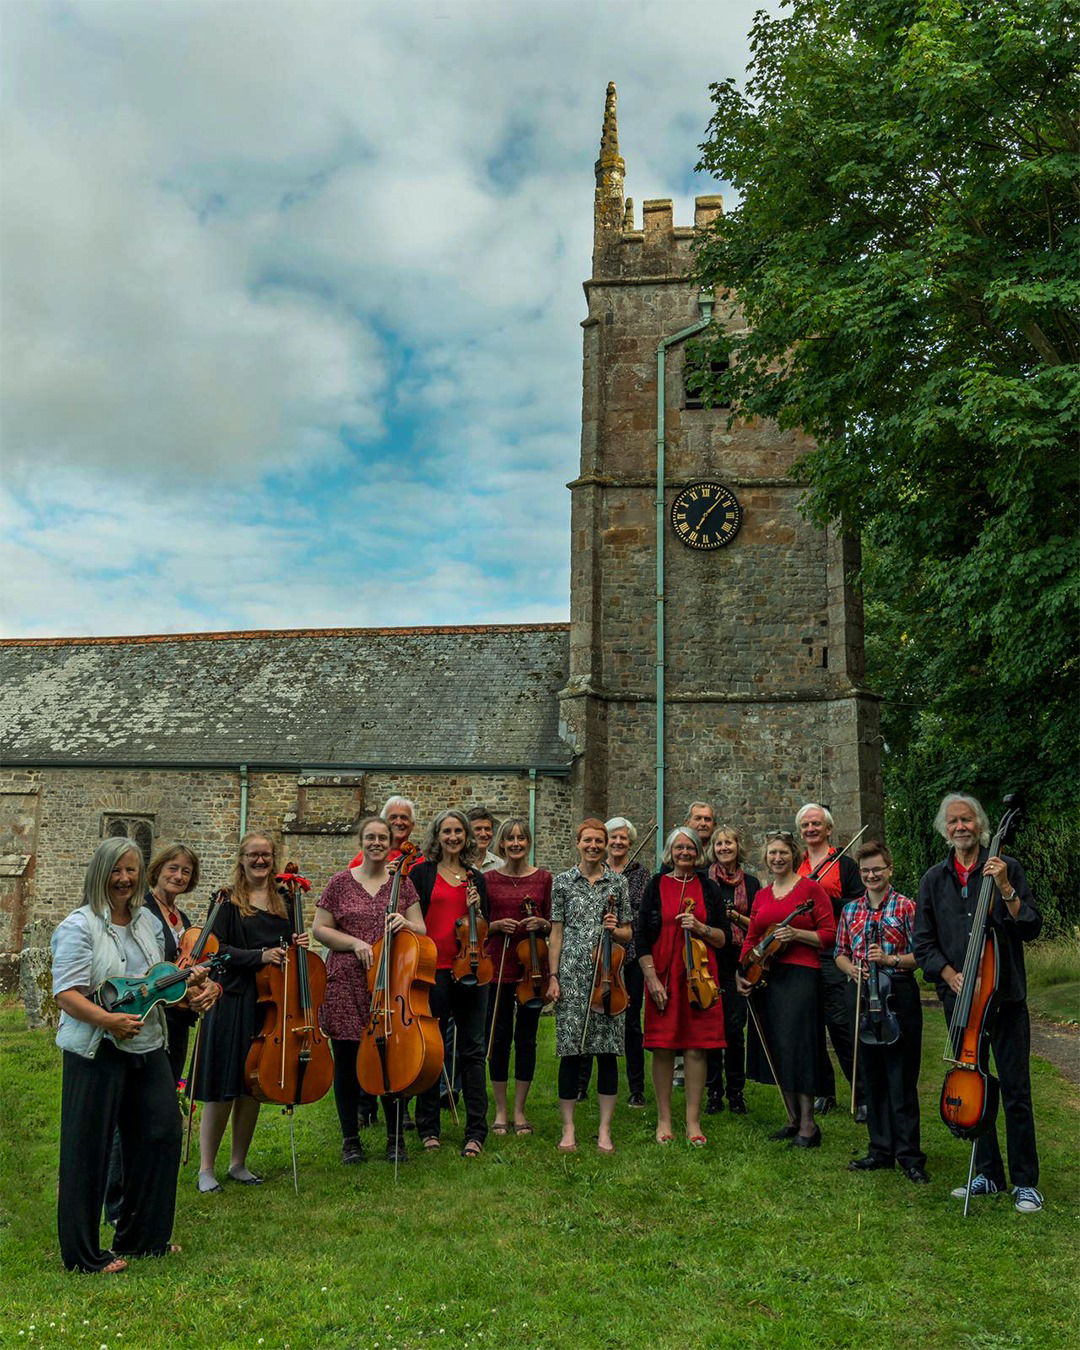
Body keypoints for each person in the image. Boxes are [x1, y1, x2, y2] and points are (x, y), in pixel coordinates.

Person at [51, 837, 218, 1272]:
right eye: (116, 871)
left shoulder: (146, 920)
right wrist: (108, 1022)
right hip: (96, 1049)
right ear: (99, 874)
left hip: (146, 1045)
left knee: (161, 1134)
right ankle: (84, 1255)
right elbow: (66, 994)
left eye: (131, 871)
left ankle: (145, 1238)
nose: (124, 879)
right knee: (89, 1149)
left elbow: (153, 985)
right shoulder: (79, 925)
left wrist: (192, 990)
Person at [913, 793, 1043, 1213]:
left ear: (981, 824)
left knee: (1016, 1091)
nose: (960, 827)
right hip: (961, 1000)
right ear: (944, 829)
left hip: (1005, 999)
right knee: (974, 1084)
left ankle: (1025, 1182)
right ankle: (987, 1173)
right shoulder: (934, 879)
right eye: (952, 822)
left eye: (966, 820)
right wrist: (948, 974)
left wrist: (1004, 887)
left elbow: (1031, 926)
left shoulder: (1007, 867)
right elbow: (923, 943)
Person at [191, 831, 310, 1192]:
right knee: (221, 1087)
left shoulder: (286, 899)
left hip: (269, 1003)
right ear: (241, 859)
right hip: (232, 999)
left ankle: (238, 1163)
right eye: (253, 855)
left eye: (266, 855)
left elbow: (288, 945)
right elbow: (217, 950)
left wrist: (297, 944)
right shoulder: (226, 900)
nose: (260, 861)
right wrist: (259, 956)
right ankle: (206, 1169)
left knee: (251, 1085)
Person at [312, 815, 427, 1165]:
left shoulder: (401, 884)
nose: (376, 843)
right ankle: (351, 1140)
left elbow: (421, 928)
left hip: (390, 983)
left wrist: (405, 922)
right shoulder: (340, 882)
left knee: (390, 1057)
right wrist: (354, 943)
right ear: (360, 842)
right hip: (346, 981)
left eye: (382, 838)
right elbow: (320, 929)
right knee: (346, 1061)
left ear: (390, 842)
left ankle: (395, 1139)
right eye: (370, 837)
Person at [834, 841, 927, 1183]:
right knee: (871, 1073)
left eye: (877, 869)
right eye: (866, 871)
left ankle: (909, 1155)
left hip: (896, 992)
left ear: (889, 870)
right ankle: (880, 1149)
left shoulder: (906, 907)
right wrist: (850, 970)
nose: (871, 875)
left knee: (901, 1076)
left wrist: (889, 960)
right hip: (861, 992)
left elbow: (922, 954)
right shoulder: (850, 910)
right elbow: (840, 952)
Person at [736, 829, 835, 1147]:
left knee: (800, 1046)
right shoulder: (763, 895)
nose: (777, 858)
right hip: (766, 977)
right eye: (772, 853)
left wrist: (798, 935)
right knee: (777, 1046)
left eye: (783, 853)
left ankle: (809, 1125)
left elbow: (829, 934)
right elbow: (752, 938)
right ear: (766, 858)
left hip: (801, 975)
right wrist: (743, 969)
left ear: (794, 856)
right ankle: (792, 1118)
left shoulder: (810, 889)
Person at [636, 827, 729, 1145]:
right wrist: (651, 978)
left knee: (695, 1049)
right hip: (663, 975)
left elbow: (723, 937)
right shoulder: (656, 884)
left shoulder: (709, 887)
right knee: (662, 1048)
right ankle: (664, 1120)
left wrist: (701, 927)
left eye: (690, 847)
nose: (685, 853)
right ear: (670, 852)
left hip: (698, 977)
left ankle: (692, 1121)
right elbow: (641, 938)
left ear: (697, 852)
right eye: (679, 848)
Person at [546, 819, 632, 1155]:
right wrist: (553, 976)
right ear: (578, 843)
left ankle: (604, 1130)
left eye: (600, 841)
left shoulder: (618, 883)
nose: (594, 846)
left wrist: (616, 927)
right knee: (571, 1053)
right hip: (571, 976)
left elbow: (628, 933)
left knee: (608, 1054)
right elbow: (556, 932)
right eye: (588, 841)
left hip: (608, 978)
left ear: (606, 844)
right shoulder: (563, 882)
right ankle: (568, 1129)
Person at [409, 809, 490, 1157]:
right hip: (434, 969)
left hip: (471, 967)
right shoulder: (422, 873)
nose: (453, 837)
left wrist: (479, 908)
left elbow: (482, 927)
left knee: (472, 1051)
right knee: (432, 1049)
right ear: (437, 836)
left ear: (466, 836)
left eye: (459, 831)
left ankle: (476, 1130)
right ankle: (428, 1127)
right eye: (447, 831)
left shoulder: (476, 878)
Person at [483, 818, 553, 1135]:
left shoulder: (543, 879)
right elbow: (478, 923)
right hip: (497, 968)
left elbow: (554, 922)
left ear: (528, 843)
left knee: (526, 1040)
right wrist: (496, 927)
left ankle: (520, 1110)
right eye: (509, 839)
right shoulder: (487, 880)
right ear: (501, 844)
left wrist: (542, 924)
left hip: (533, 971)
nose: (515, 844)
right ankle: (500, 1110)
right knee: (498, 1041)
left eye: (521, 839)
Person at [796, 802, 864, 1117]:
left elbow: (859, 903)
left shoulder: (844, 864)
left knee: (841, 1023)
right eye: (806, 825)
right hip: (800, 951)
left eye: (816, 824)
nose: (811, 829)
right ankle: (823, 1091)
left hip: (834, 951)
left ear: (828, 828)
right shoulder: (796, 865)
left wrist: (827, 902)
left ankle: (861, 1093)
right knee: (811, 1026)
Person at [705, 825, 760, 1114]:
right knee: (713, 1029)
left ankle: (736, 1092)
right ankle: (713, 1091)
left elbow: (758, 925)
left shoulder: (751, 884)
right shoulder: (705, 881)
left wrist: (735, 916)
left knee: (735, 1030)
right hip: (710, 961)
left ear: (738, 847)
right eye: (719, 844)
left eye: (729, 843)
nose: (724, 847)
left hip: (739, 962)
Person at [606, 817, 650, 1107]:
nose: (618, 842)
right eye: (613, 838)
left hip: (631, 954)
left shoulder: (640, 874)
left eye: (623, 838)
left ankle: (636, 1088)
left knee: (632, 1023)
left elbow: (643, 912)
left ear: (631, 843)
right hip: (599, 954)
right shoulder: (597, 870)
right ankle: (584, 1084)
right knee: (597, 1015)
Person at [347, 795, 420, 868]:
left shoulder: (420, 859)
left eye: (404, 818)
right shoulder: (365, 858)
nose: (399, 822)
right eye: (393, 817)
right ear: (384, 823)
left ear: (412, 824)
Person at [467, 806, 502, 872]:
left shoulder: (500, 865)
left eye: (487, 829)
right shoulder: (457, 863)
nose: (483, 834)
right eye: (478, 829)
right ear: (468, 831)